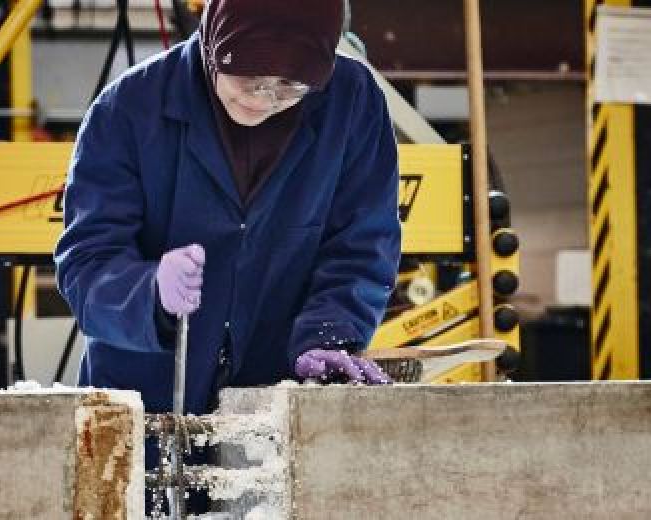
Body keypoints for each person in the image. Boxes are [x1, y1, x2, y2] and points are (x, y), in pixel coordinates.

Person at [54, 0, 401, 418]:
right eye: (250, 77)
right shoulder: (129, 108)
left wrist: (331, 334)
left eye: (290, 86)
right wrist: (147, 292)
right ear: (214, 42)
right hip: (140, 407)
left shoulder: (351, 104)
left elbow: (361, 246)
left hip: (276, 408)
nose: (265, 98)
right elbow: (87, 265)